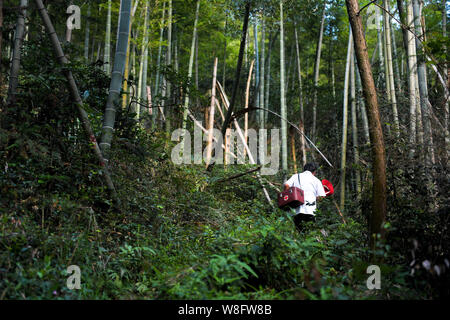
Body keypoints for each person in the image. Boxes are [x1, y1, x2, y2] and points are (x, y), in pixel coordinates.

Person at [283, 163, 326, 233]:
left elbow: (286, 185)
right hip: (311, 211)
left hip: (297, 210)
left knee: (299, 231)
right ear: (314, 172)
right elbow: (321, 197)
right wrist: (315, 198)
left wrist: (288, 197)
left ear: (304, 169)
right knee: (309, 233)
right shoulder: (317, 180)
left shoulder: (296, 176)